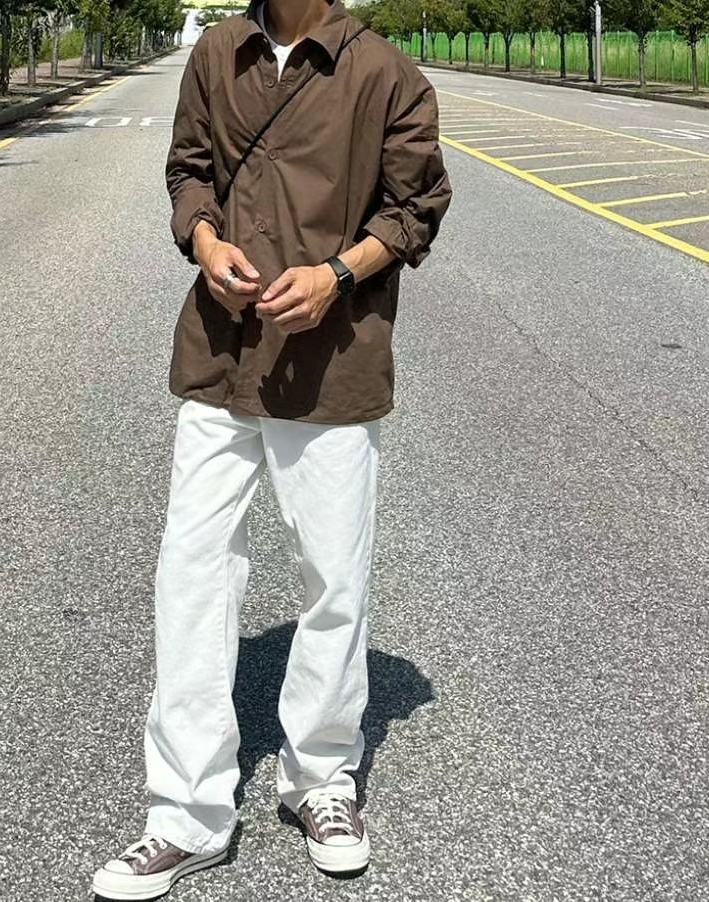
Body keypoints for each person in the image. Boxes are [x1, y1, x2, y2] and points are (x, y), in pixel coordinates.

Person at [92, 0, 451, 898]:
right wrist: (204, 241)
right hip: (220, 356)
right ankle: (186, 813)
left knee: (332, 577)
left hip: (331, 365)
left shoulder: (386, 74)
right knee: (192, 571)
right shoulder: (217, 53)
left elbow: (415, 208)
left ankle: (321, 777)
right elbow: (188, 171)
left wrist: (337, 275)